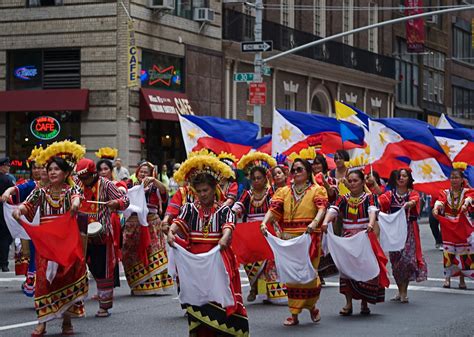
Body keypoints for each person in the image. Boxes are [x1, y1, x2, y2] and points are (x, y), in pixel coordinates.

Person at [167, 154, 249, 337]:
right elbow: (179, 222)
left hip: (218, 258)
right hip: (195, 260)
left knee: (219, 299)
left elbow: (228, 227)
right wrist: (171, 232)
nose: (203, 194)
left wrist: (224, 238)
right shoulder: (189, 208)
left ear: (214, 189)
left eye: (206, 190)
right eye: (199, 191)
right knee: (197, 300)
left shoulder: (224, 210)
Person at [12, 141, 88, 336]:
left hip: (66, 240)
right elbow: (28, 205)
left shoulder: (72, 190)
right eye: (50, 169)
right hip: (47, 242)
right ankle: (42, 323)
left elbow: (77, 198)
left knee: (66, 277)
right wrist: (19, 210)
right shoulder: (40, 191)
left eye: (56, 169)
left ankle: (67, 321)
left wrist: (75, 204)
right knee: (44, 280)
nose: (52, 172)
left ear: (65, 173)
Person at [260, 158, 328, 326]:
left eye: (300, 169)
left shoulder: (317, 190)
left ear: (308, 172)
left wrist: (314, 223)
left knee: (309, 276)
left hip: (309, 239)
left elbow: (322, 208)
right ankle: (294, 314)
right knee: (291, 276)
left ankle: (311, 307)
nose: (296, 173)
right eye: (294, 170)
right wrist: (264, 222)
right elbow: (273, 209)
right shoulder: (283, 191)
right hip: (289, 240)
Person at [322, 169, 384, 316]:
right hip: (348, 239)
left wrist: (370, 223)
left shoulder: (370, 198)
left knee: (365, 268)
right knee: (346, 270)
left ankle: (365, 302)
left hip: (365, 238)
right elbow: (333, 210)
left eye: (356, 180)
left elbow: (373, 210)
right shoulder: (343, 199)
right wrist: (325, 221)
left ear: (363, 182)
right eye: (350, 181)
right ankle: (348, 304)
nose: (352, 183)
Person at [75, 158, 129, 317]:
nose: (84, 181)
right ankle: (75, 305)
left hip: (101, 234)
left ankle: (104, 306)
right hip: (80, 234)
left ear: (93, 174)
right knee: (76, 271)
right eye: (81, 178)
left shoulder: (106, 184)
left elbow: (126, 200)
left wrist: (116, 203)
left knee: (101, 270)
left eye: (86, 178)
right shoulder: (76, 184)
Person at [232, 152, 286, 304]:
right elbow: (239, 206)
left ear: (265, 179)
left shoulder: (272, 192)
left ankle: (271, 292)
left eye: (259, 178)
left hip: (268, 229)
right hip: (251, 232)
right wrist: (232, 212)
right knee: (251, 261)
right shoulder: (247, 194)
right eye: (253, 178)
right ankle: (254, 287)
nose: (256, 181)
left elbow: (279, 206)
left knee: (270, 262)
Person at [2, 147, 48, 296]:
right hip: (36, 227)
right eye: (35, 168)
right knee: (36, 255)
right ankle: (36, 284)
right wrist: (7, 193)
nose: (39, 171)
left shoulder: (64, 187)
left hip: (56, 228)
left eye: (42, 167)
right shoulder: (33, 186)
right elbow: (19, 194)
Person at [123, 161, 172, 295]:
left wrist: (154, 181)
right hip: (132, 223)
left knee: (152, 251)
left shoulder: (155, 187)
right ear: (137, 172)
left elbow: (164, 192)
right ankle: (137, 285)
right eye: (141, 171)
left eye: (146, 172)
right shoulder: (129, 184)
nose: (143, 174)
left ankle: (153, 286)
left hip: (151, 223)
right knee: (130, 252)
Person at [378, 168, 427, 303]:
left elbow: (414, 201)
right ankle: (400, 290)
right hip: (394, 232)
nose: (401, 178)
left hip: (409, 230)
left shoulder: (413, 194)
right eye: (399, 176)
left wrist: (409, 204)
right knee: (396, 261)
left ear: (409, 179)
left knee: (406, 260)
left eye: (404, 176)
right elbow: (380, 202)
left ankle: (404, 291)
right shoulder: (390, 194)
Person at [432, 165, 473, 289]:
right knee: (449, 251)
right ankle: (447, 278)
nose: (454, 180)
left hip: (462, 224)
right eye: (452, 178)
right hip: (449, 225)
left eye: (456, 178)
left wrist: (466, 205)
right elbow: (440, 201)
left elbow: (470, 199)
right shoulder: (445, 192)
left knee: (463, 251)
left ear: (462, 180)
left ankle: (462, 280)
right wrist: (436, 208)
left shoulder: (467, 192)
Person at [0, 157, 14, 272]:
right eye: (7, 165)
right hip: (4, 212)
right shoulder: (7, 180)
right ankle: (4, 264)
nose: (8, 167)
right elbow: (13, 196)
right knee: (5, 238)